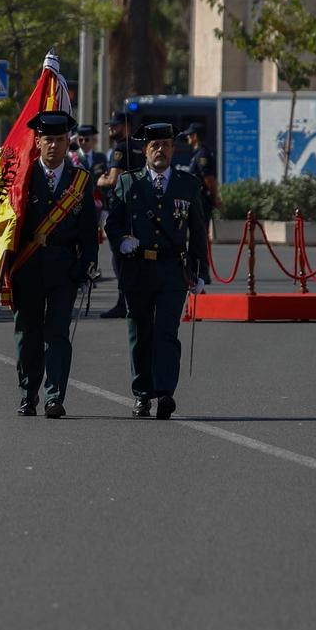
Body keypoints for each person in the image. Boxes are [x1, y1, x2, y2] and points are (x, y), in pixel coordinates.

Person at [107, 122, 210, 420]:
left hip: (171, 269)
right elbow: (112, 222)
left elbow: (198, 230)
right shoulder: (129, 183)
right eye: (154, 146)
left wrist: (200, 271)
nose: (160, 150)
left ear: (173, 149)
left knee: (166, 331)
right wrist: (121, 241)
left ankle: (164, 393)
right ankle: (142, 394)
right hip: (138, 268)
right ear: (144, 150)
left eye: (165, 145)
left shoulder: (186, 184)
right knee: (139, 333)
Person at [8, 111, 99, 417]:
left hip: (64, 266)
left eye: (60, 140)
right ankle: (28, 392)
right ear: (38, 141)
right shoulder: (23, 177)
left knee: (57, 332)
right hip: (28, 265)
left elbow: (89, 229)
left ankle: (54, 396)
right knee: (28, 332)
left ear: (67, 143)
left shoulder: (80, 180)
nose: (54, 146)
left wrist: (85, 265)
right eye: (48, 140)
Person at [97, 110, 139, 319]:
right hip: (137, 209)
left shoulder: (121, 149)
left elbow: (113, 180)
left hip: (120, 209)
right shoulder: (140, 146)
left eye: (115, 125)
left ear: (126, 125)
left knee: (119, 258)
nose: (111, 129)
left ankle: (123, 302)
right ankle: (133, 300)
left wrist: (100, 181)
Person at [178, 123, 219, 217]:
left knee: (201, 228)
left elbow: (208, 178)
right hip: (196, 198)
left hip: (202, 199)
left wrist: (215, 198)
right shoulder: (198, 153)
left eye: (189, 134)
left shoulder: (202, 154)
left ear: (195, 136)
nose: (187, 137)